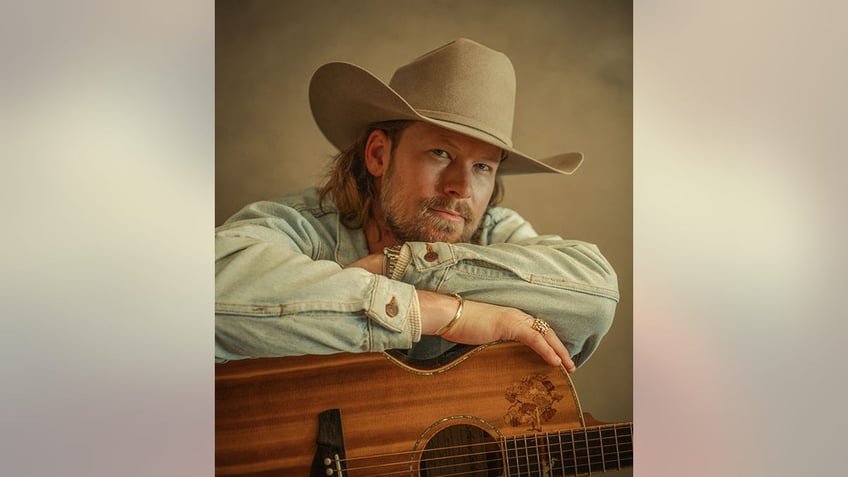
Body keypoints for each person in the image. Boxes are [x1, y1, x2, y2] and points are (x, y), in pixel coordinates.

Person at [215, 38, 619, 372]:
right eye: (441, 153)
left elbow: (596, 295)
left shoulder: (495, 232)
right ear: (378, 155)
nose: (461, 187)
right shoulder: (308, 228)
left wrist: (401, 264)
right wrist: (448, 313)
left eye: (482, 166)